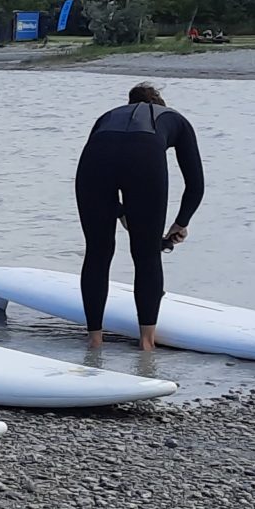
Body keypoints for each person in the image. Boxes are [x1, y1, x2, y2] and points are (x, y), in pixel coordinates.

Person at [75, 83, 204, 352]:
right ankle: (146, 345)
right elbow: (195, 184)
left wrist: (121, 212)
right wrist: (181, 222)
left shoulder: (108, 116)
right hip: (145, 158)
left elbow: (106, 167)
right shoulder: (175, 119)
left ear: (128, 102)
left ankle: (94, 341)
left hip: (96, 158)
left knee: (98, 252)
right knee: (146, 255)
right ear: (161, 103)